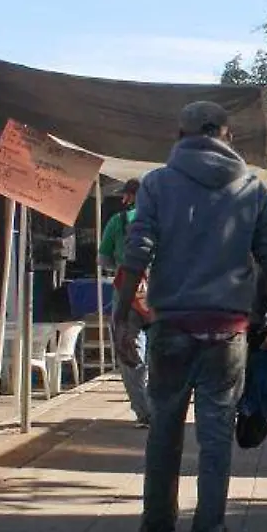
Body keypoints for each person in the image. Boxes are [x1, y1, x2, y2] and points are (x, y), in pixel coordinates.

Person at [116, 101, 267, 532]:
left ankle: (158, 524)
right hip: (226, 332)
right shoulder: (252, 187)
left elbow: (137, 252)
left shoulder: (156, 185)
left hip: (171, 325)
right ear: (227, 136)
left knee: (165, 428)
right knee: (215, 438)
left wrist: (121, 319)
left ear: (180, 134)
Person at [97, 179, 152, 427]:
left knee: (129, 350)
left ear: (129, 197)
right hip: (161, 290)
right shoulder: (163, 218)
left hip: (127, 289)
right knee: (161, 349)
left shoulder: (117, 221)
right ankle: (161, 406)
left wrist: (119, 265)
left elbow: (103, 259)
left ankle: (144, 411)